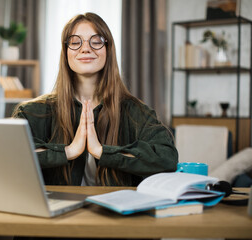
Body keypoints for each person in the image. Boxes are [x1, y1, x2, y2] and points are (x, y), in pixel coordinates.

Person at [13, 12, 178, 187]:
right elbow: (10, 154)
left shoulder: (135, 111)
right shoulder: (31, 112)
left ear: (108, 49)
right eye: (76, 42)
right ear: (65, 51)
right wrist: (68, 151)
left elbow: (167, 158)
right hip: (56, 211)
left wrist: (102, 151)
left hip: (115, 211)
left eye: (96, 41)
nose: (85, 49)